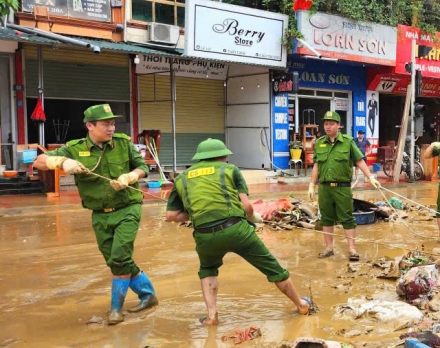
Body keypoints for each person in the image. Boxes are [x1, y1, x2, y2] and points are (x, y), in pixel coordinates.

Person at [34, 104, 157, 325]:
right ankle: (148, 295)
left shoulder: (122, 143)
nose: (111, 128)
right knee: (115, 261)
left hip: (128, 208)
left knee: (120, 256)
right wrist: (61, 161)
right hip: (100, 214)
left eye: (112, 123)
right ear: (90, 126)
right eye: (105, 124)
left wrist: (130, 176)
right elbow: (38, 162)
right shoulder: (74, 148)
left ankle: (116, 310)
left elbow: (143, 167)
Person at [164, 139, 310, 325]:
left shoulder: (182, 178)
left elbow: (170, 216)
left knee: (208, 270)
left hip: (205, 235)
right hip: (236, 230)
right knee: (272, 267)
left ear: (200, 158)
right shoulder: (230, 170)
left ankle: (211, 316)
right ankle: (301, 305)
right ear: (222, 156)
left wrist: (196, 214)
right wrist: (254, 217)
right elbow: (247, 207)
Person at [309, 111, 380, 261]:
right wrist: (311, 184)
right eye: (326, 124)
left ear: (338, 125)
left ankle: (352, 250)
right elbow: (316, 164)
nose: (328, 127)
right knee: (326, 218)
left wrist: (370, 177)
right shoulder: (320, 142)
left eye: (331, 124)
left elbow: (359, 161)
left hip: (342, 187)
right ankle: (329, 248)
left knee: (347, 218)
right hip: (325, 188)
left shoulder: (348, 142)